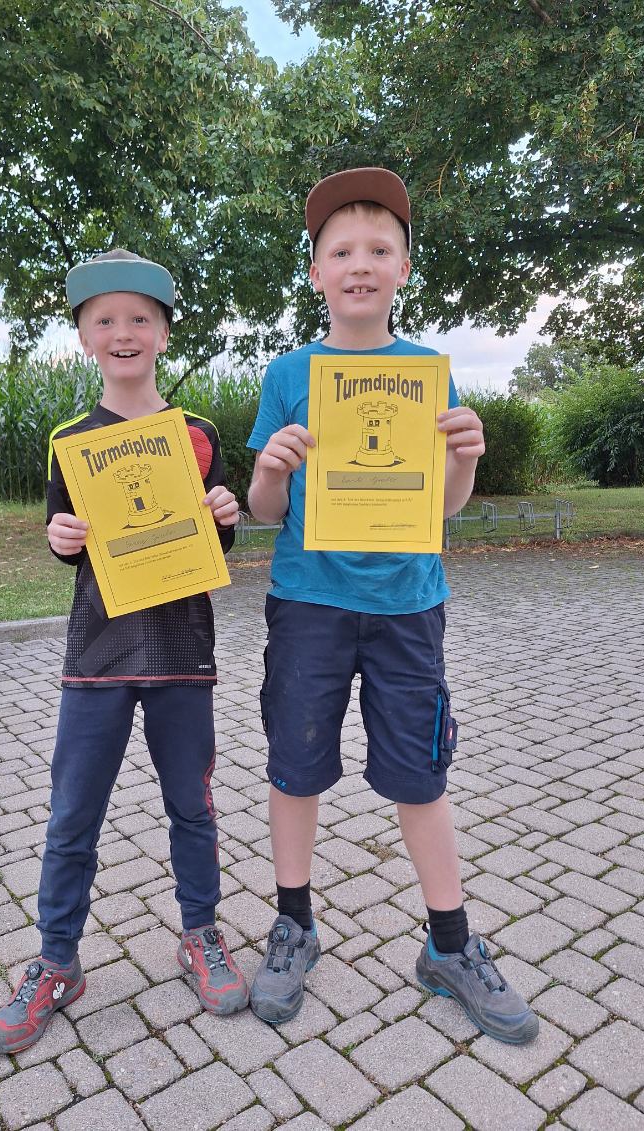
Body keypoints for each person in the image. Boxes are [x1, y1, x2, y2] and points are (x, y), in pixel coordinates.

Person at [245, 168, 538, 1044]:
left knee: (420, 772)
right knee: (296, 765)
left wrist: (467, 459)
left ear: (405, 268)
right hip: (308, 602)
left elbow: (441, 508)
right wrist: (272, 469)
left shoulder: (427, 375)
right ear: (317, 273)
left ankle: (449, 943)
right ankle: (294, 925)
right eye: (342, 251)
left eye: (379, 249)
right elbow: (263, 509)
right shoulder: (289, 374)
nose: (361, 264)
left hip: (410, 606)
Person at [0, 249, 249, 1054]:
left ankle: (199, 934)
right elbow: (65, 537)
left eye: (140, 318)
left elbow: (213, 541)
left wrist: (225, 515)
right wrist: (61, 538)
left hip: (182, 653)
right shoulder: (70, 440)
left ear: (164, 334)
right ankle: (56, 961)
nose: (123, 331)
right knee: (73, 815)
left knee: (192, 807)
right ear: (84, 338)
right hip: (97, 654)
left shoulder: (197, 436)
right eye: (105, 320)